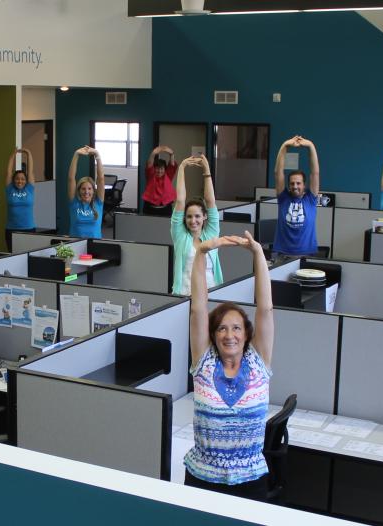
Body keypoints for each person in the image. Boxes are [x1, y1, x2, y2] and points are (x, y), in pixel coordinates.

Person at [185, 229, 274, 501]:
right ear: (213, 335)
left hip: (251, 480)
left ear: (247, 334)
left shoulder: (259, 361)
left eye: (236, 328)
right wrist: (201, 253)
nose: (229, 335)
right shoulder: (204, 362)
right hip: (203, 479)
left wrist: (258, 254)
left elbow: (265, 309)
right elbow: (198, 309)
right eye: (221, 329)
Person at [171, 154, 222, 295]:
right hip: (185, 294)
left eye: (197, 216)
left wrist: (206, 171)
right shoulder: (180, 236)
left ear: (205, 216)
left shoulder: (211, 234)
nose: (193, 221)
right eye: (189, 217)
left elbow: (210, 201)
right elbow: (180, 201)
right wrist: (181, 168)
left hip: (211, 292)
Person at [273, 135, 320, 257]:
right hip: (283, 253)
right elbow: (278, 172)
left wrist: (310, 145)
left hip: (307, 253)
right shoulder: (283, 198)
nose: (295, 186)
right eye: (292, 183)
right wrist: (284, 146)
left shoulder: (310, 199)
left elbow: (315, 173)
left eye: (298, 183)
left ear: (304, 185)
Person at [67, 146, 105, 238]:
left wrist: (97, 155)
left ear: (93, 190)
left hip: (95, 245)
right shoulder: (74, 203)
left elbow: (101, 179)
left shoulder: (98, 203)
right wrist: (76, 154)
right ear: (79, 191)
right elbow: (71, 179)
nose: (86, 192)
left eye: (89, 189)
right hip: (75, 244)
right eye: (83, 189)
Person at [4, 147, 36, 251]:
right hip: (11, 230)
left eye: (22, 179)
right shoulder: (10, 189)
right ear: (13, 180)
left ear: (26, 181)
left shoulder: (29, 189)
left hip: (29, 229)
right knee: (12, 256)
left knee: (28, 257)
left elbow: (30, 171)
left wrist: (28, 153)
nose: (20, 181)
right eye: (17, 179)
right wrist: (13, 154)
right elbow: (9, 172)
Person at [142, 145, 177, 216]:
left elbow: (172, 165)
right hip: (150, 208)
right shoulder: (151, 175)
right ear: (154, 169)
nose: (159, 171)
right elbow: (149, 164)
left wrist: (171, 154)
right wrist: (153, 153)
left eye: (161, 169)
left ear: (165, 170)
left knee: (164, 225)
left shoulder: (168, 176)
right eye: (157, 168)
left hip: (165, 209)